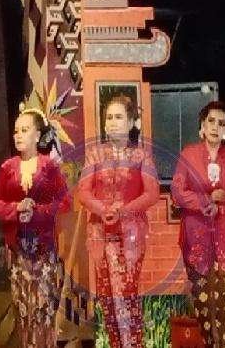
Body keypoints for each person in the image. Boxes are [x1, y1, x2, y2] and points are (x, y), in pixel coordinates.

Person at [78, 95, 159, 348]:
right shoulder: (94, 154)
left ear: (132, 122)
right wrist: (102, 209)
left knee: (126, 294)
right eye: (109, 118)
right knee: (107, 297)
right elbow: (83, 192)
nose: (113, 122)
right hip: (100, 233)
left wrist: (123, 210)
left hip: (130, 235)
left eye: (119, 117)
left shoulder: (141, 155)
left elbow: (152, 193)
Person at [0, 106, 71, 347]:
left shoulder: (49, 167)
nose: (18, 135)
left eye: (24, 130)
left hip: (44, 252)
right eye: (16, 131)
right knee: (24, 311)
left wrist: (37, 211)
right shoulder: (8, 168)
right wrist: (16, 208)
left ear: (37, 135)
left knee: (43, 310)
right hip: (18, 253)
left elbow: (65, 201)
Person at [172, 101, 225, 347]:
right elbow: (177, 191)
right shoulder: (188, 154)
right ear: (202, 126)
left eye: (221, 123)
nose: (216, 126)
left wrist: (223, 203)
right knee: (204, 308)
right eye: (211, 121)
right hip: (197, 241)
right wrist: (205, 201)